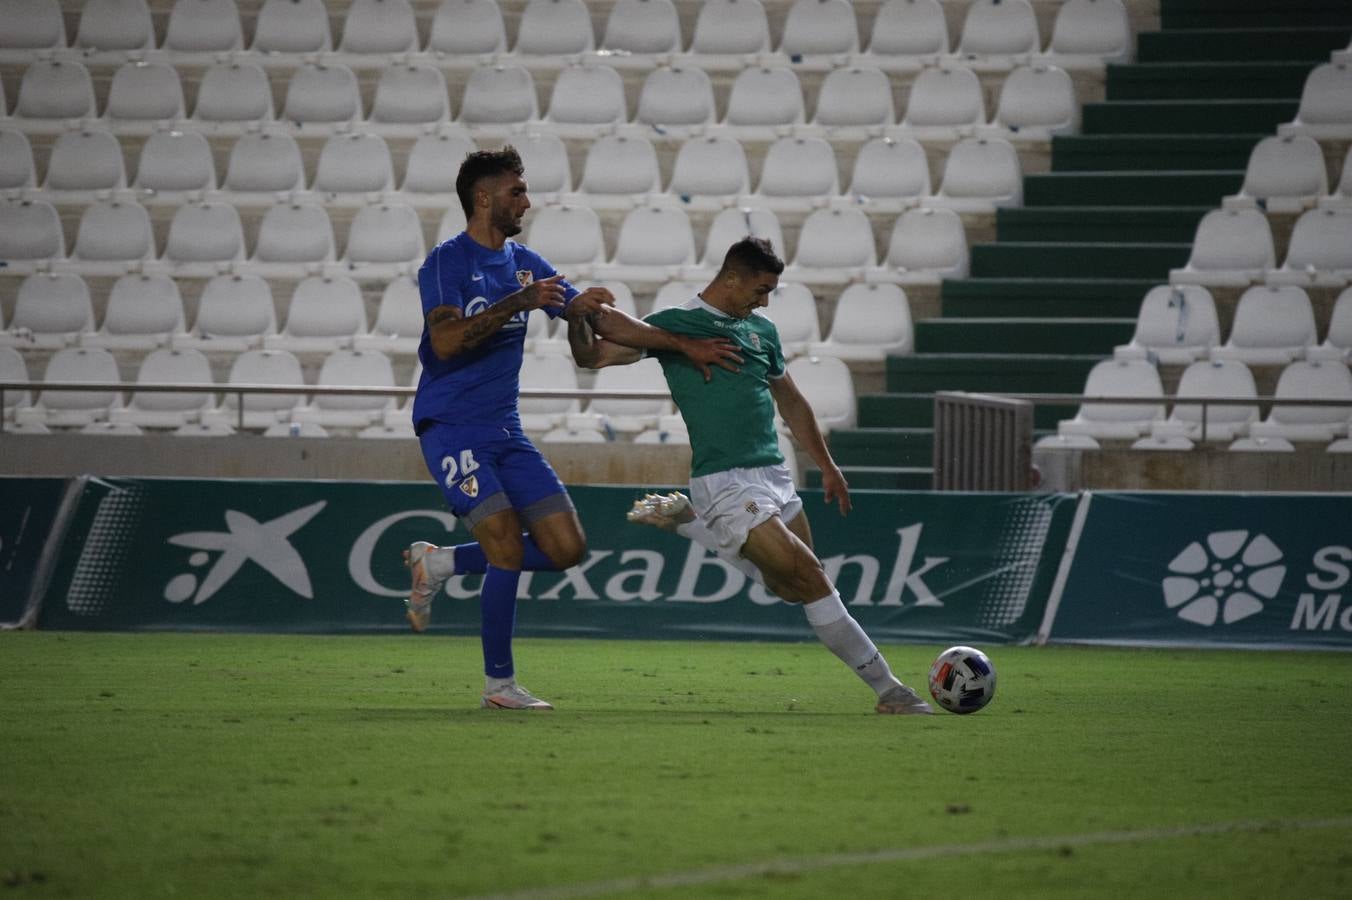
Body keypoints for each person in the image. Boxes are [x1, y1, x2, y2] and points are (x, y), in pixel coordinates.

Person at [404, 146, 742, 710]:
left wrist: (677, 342)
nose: (526, 201)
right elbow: (443, 340)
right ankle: (499, 686)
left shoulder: (525, 260)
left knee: (566, 548)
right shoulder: (448, 262)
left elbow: (599, 325)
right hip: (452, 427)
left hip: (504, 430)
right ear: (483, 198)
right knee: (507, 547)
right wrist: (521, 300)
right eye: (516, 191)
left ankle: (438, 561)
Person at [570, 237, 933, 715]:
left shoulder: (761, 330)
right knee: (810, 578)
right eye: (760, 289)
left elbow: (791, 401)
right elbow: (591, 357)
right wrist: (576, 315)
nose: (764, 301)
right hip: (725, 480)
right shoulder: (676, 325)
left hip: (774, 474)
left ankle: (687, 522)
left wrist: (826, 465)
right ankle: (891, 691)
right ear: (732, 278)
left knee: (794, 587)